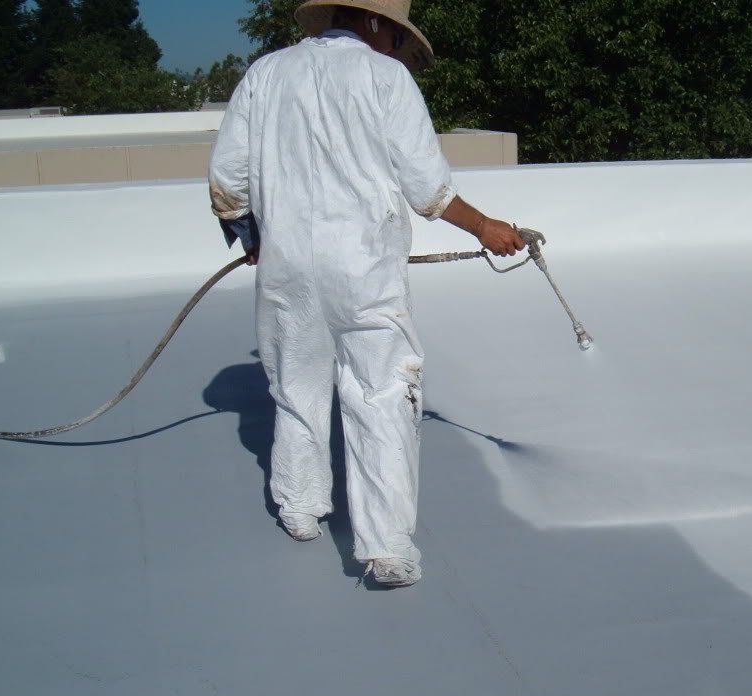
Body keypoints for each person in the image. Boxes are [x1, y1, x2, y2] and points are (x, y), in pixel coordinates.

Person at [209, 0, 525, 588]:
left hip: (286, 269)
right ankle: (385, 549)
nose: (395, 49)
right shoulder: (385, 77)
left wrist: (249, 235)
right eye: (394, 36)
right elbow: (427, 186)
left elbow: (228, 178)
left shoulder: (266, 73)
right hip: (364, 271)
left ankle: (300, 508)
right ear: (374, 22)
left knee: (296, 385)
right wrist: (486, 227)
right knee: (381, 391)